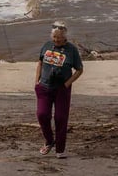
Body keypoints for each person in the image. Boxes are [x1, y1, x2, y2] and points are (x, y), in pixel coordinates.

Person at [34, 21, 84, 158]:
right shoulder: (47, 45)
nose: (56, 40)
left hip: (61, 89)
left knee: (60, 118)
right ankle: (49, 141)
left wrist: (67, 84)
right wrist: (37, 81)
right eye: (54, 37)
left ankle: (60, 149)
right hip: (44, 87)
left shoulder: (71, 50)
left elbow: (79, 70)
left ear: (65, 37)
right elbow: (40, 63)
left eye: (59, 37)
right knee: (42, 115)